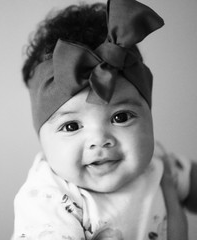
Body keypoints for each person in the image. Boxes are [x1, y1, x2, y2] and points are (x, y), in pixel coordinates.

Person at [12, 0, 197, 239]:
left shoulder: (160, 164)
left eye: (120, 117)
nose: (99, 140)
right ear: (42, 141)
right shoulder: (49, 198)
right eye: (71, 126)